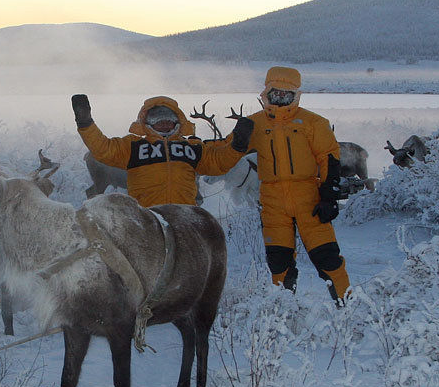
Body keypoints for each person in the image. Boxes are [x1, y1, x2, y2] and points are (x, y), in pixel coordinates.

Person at [240, 66, 350, 302]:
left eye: (285, 94)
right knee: (279, 263)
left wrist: (329, 196)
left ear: (295, 95)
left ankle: (348, 307)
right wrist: (198, 152)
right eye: (275, 94)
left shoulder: (313, 122)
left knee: (328, 258)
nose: (280, 99)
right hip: (273, 203)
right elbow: (225, 154)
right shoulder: (253, 124)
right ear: (266, 93)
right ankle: (283, 312)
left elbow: (329, 157)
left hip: (309, 199)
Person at [71, 93, 253, 208]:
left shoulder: (192, 148)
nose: (164, 123)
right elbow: (103, 149)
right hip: (146, 215)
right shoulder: (133, 147)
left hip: (185, 214)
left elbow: (218, 162)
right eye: (158, 119)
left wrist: (237, 146)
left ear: (178, 122)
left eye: (169, 119)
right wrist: (86, 123)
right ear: (147, 122)